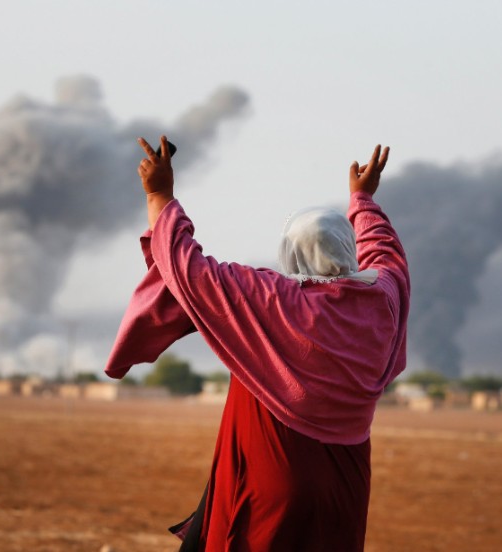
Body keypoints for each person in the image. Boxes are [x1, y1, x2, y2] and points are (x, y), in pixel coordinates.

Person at [105, 136, 410, 551]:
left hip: (271, 482)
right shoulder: (383, 301)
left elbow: (186, 266)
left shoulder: (272, 300)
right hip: (347, 491)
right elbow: (385, 251)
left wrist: (160, 195)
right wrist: (363, 201)